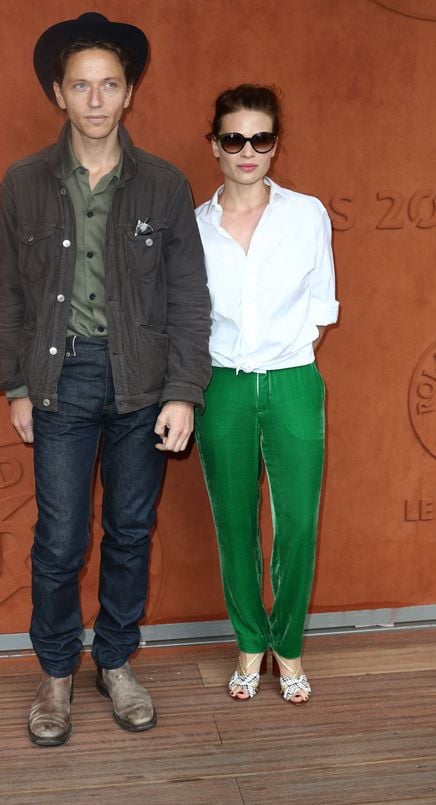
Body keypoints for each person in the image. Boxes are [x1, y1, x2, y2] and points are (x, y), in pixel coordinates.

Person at [0, 13, 211, 745]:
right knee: (58, 538)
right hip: (61, 377)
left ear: (129, 93)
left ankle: (114, 660)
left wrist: (183, 390)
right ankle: (56, 673)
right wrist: (17, 385)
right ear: (59, 92)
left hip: (142, 381)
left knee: (130, 531)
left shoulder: (165, 184)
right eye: (80, 84)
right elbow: (9, 297)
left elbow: (187, 296)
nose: (94, 98)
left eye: (108, 84)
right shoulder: (23, 183)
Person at [195, 84, 338, 705]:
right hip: (220, 387)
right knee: (233, 524)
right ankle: (250, 641)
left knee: (298, 524)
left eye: (261, 138)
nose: (247, 150)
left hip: (293, 383)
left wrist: (285, 356)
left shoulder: (307, 214)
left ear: (276, 146)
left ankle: (290, 647)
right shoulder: (194, 226)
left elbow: (321, 303)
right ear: (215, 147)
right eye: (234, 138)